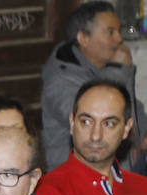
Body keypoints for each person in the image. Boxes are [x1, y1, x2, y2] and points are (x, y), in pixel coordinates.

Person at [41, 1, 147, 171]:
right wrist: (118, 70)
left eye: (118, 32)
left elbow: (131, 108)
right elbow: (97, 118)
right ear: (83, 38)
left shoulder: (100, 66)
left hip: (119, 171)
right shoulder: (60, 79)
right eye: (110, 32)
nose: (119, 39)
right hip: (77, 180)